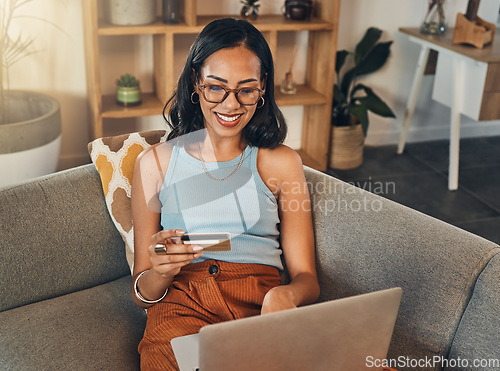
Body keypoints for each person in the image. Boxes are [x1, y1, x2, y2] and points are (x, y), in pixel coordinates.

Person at [130, 17, 319, 370]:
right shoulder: (154, 163)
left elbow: (307, 277)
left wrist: (286, 293)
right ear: (195, 82)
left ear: (263, 87)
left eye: (246, 89)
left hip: (259, 302)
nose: (230, 105)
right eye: (216, 87)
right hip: (181, 305)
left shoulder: (281, 163)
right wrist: (161, 271)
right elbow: (142, 292)